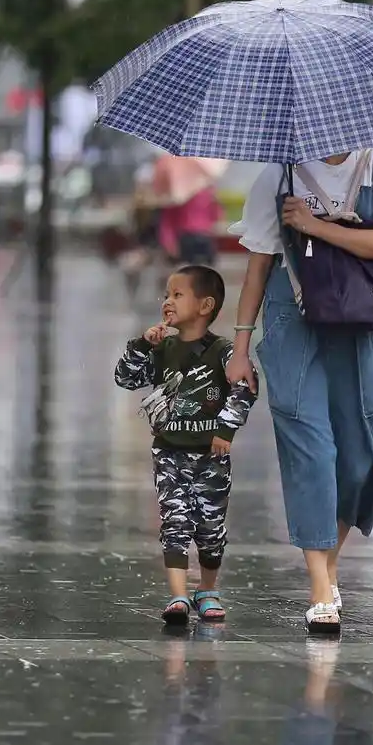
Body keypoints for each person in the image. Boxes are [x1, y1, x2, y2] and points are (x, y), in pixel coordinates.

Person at [225, 147, 373, 633]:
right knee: (309, 446)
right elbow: (257, 266)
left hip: (359, 321)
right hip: (293, 320)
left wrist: (314, 225)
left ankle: (328, 565)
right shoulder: (278, 173)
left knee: (357, 455)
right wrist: (241, 347)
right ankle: (318, 585)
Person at [114, 265, 256, 624]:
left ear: (205, 305)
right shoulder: (163, 349)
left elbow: (245, 389)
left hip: (212, 456)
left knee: (210, 527)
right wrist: (143, 345)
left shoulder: (223, 352)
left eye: (177, 295)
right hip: (169, 451)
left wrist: (226, 430)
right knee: (174, 521)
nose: (168, 302)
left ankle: (207, 589)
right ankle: (178, 596)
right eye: (166, 295)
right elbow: (125, 378)